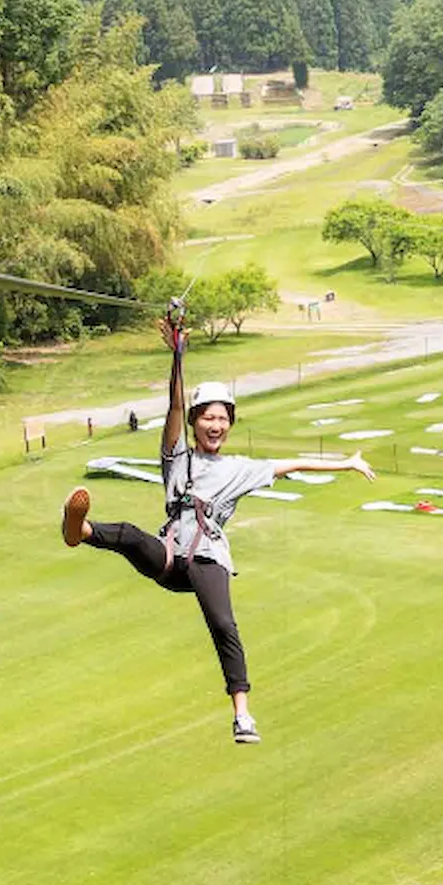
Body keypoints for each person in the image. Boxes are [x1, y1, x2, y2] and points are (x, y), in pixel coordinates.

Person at [61, 307, 375, 743]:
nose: (216, 425)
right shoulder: (176, 457)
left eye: (223, 418)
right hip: (171, 552)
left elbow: (294, 462)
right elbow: (173, 404)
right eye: (208, 417)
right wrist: (177, 356)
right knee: (133, 537)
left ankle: (242, 714)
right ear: (194, 422)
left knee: (223, 624)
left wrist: (346, 463)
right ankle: (81, 531)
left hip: (208, 555)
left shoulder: (240, 468)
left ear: (230, 424)